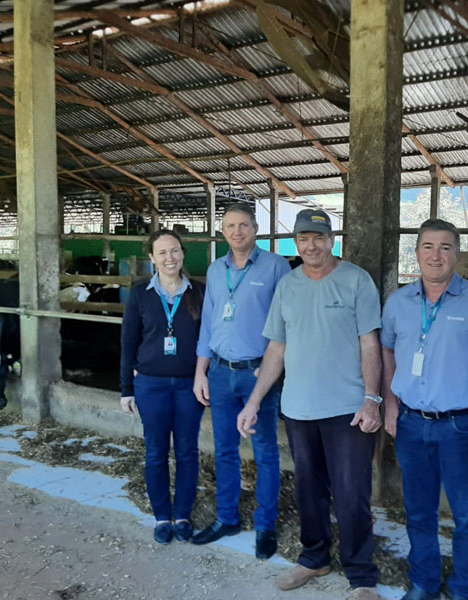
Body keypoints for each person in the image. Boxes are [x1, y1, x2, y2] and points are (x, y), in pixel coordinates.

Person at [236, 209, 384, 600]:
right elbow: (276, 348)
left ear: (332, 240)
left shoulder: (356, 280)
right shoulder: (288, 285)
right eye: (304, 238)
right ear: (296, 243)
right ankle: (315, 557)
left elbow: (370, 345)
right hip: (299, 409)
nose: (311, 245)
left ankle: (361, 575)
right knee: (308, 490)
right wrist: (254, 402)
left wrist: (372, 400)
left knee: (352, 494)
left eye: (319, 238)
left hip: (347, 409)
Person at [381, 219, 468, 600]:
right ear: (416, 252)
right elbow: (387, 351)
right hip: (411, 423)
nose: (436, 255)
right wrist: (390, 404)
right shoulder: (398, 302)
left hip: (461, 426)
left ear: (457, 254)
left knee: (466, 515)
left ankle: (465, 588)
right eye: (428, 247)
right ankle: (424, 582)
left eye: (445, 247)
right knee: (418, 511)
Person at [192, 203, 291, 558]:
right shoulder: (215, 269)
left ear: (255, 229)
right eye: (231, 226)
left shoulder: (276, 266)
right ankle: (227, 517)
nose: (237, 231)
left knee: (265, 451)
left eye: (244, 225)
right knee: (225, 450)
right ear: (223, 232)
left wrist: (274, 369)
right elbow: (208, 322)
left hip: (258, 374)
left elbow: (286, 324)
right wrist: (200, 371)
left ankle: (265, 526)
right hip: (220, 372)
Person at [120, 229, 206, 545]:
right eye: (162, 252)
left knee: (187, 452)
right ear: (152, 258)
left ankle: (182, 515)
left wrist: (205, 377)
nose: (170, 258)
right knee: (156, 453)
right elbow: (128, 342)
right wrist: (126, 388)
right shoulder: (140, 293)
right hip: (150, 385)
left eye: (174, 251)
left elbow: (207, 340)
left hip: (188, 386)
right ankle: (161, 517)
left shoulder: (200, 291)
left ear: (183, 253)